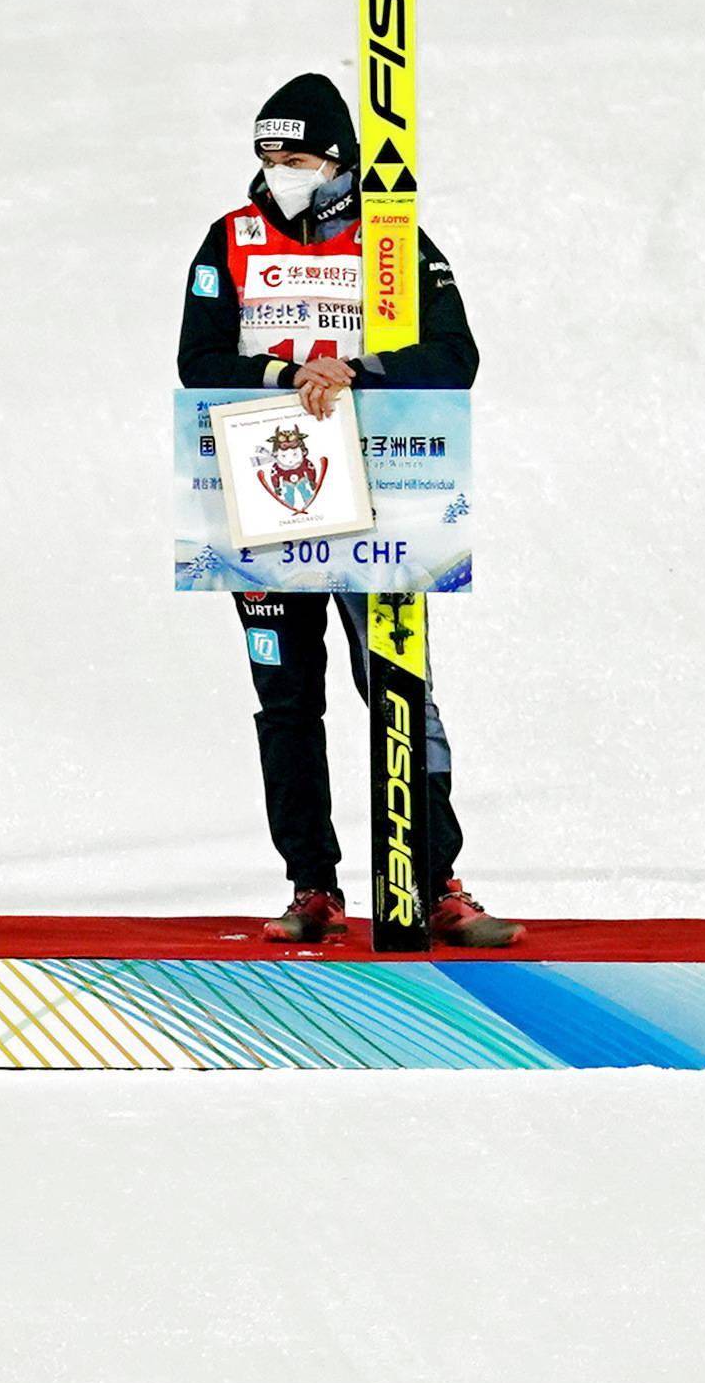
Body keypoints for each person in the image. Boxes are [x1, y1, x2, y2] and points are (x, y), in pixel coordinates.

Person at [179, 72, 513, 946]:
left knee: (397, 686)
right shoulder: (232, 238)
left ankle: (434, 878)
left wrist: (355, 371)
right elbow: (197, 356)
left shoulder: (393, 241)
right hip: (265, 495)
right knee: (286, 698)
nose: (276, 169)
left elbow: (456, 354)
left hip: (383, 502)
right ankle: (310, 884)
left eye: (293, 155)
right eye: (265, 155)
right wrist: (288, 374)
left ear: (336, 159)